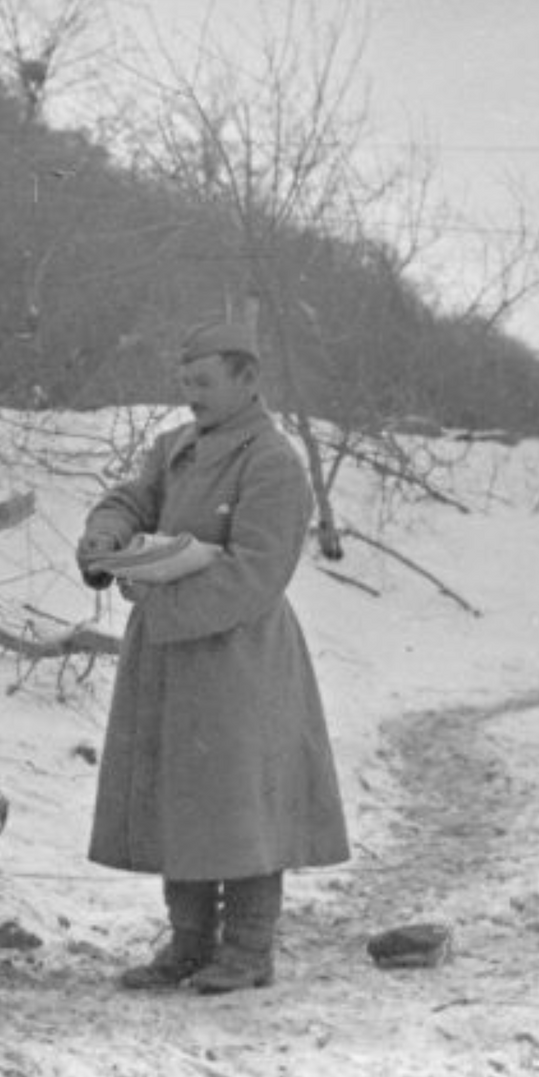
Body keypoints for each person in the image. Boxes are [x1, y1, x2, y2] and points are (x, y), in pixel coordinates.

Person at [75, 317, 350, 993]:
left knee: (239, 801)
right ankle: (190, 944)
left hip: (239, 656)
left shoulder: (273, 462)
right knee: (182, 796)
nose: (190, 394)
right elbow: (131, 499)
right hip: (174, 654)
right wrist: (106, 532)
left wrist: (160, 600)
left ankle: (250, 949)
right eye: (184, 381)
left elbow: (257, 570)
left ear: (247, 379)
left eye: (203, 381)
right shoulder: (175, 446)